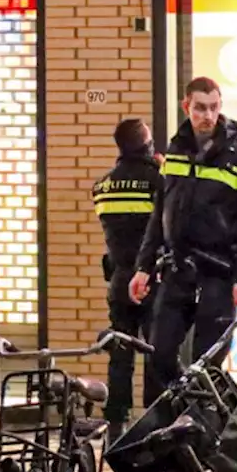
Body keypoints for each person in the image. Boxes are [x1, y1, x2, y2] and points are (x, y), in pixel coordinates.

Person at [129, 77, 237, 392]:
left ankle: (205, 430)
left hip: (218, 271)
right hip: (177, 269)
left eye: (214, 108)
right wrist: (143, 267)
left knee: (207, 363)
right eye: (200, 108)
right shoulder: (176, 149)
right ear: (186, 106)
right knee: (159, 354)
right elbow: (159, 213)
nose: (208, 115)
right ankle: (185, 410)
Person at [93, 117, 163, 436]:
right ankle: (153, 422)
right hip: (153, 277)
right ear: (144, 144)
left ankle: (116, 425)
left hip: (120, 280)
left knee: (120, 355)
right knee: (156, 353)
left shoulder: (103, 186)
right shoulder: (156, 180)